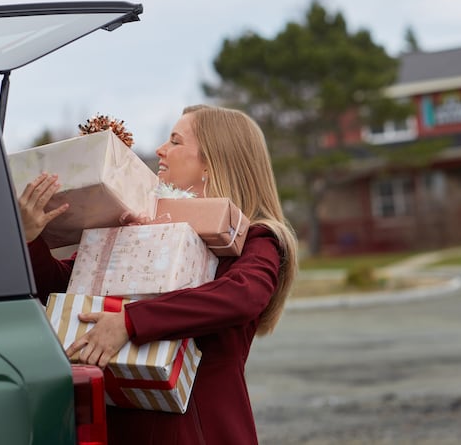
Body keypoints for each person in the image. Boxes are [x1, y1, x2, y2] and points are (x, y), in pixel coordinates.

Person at [19, 104, 298, 445]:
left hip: (198, 431)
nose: (159, 150)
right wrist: (30, 239)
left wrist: (130, 322)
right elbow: (60, 287)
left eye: (176, 141)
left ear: (211, 161)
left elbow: (242, 296)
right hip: (121, 423)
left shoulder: (256, 237)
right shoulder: (136, 219)